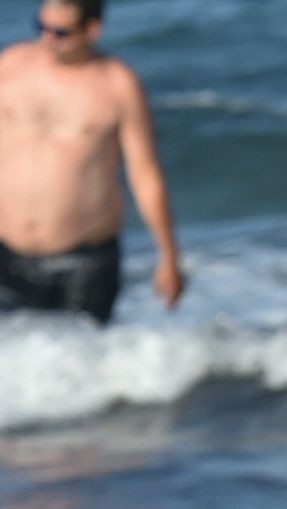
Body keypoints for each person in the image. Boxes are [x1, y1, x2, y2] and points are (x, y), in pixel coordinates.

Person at [0, 0, 183, 323]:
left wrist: (169, 257)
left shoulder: (117, 85)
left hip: (85, 264)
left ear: (92, 30)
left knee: (81, 353)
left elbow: (145, 174)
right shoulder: (10, 66)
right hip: (6, 255)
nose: (47, 40)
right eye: (41, 27)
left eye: (61, 33)